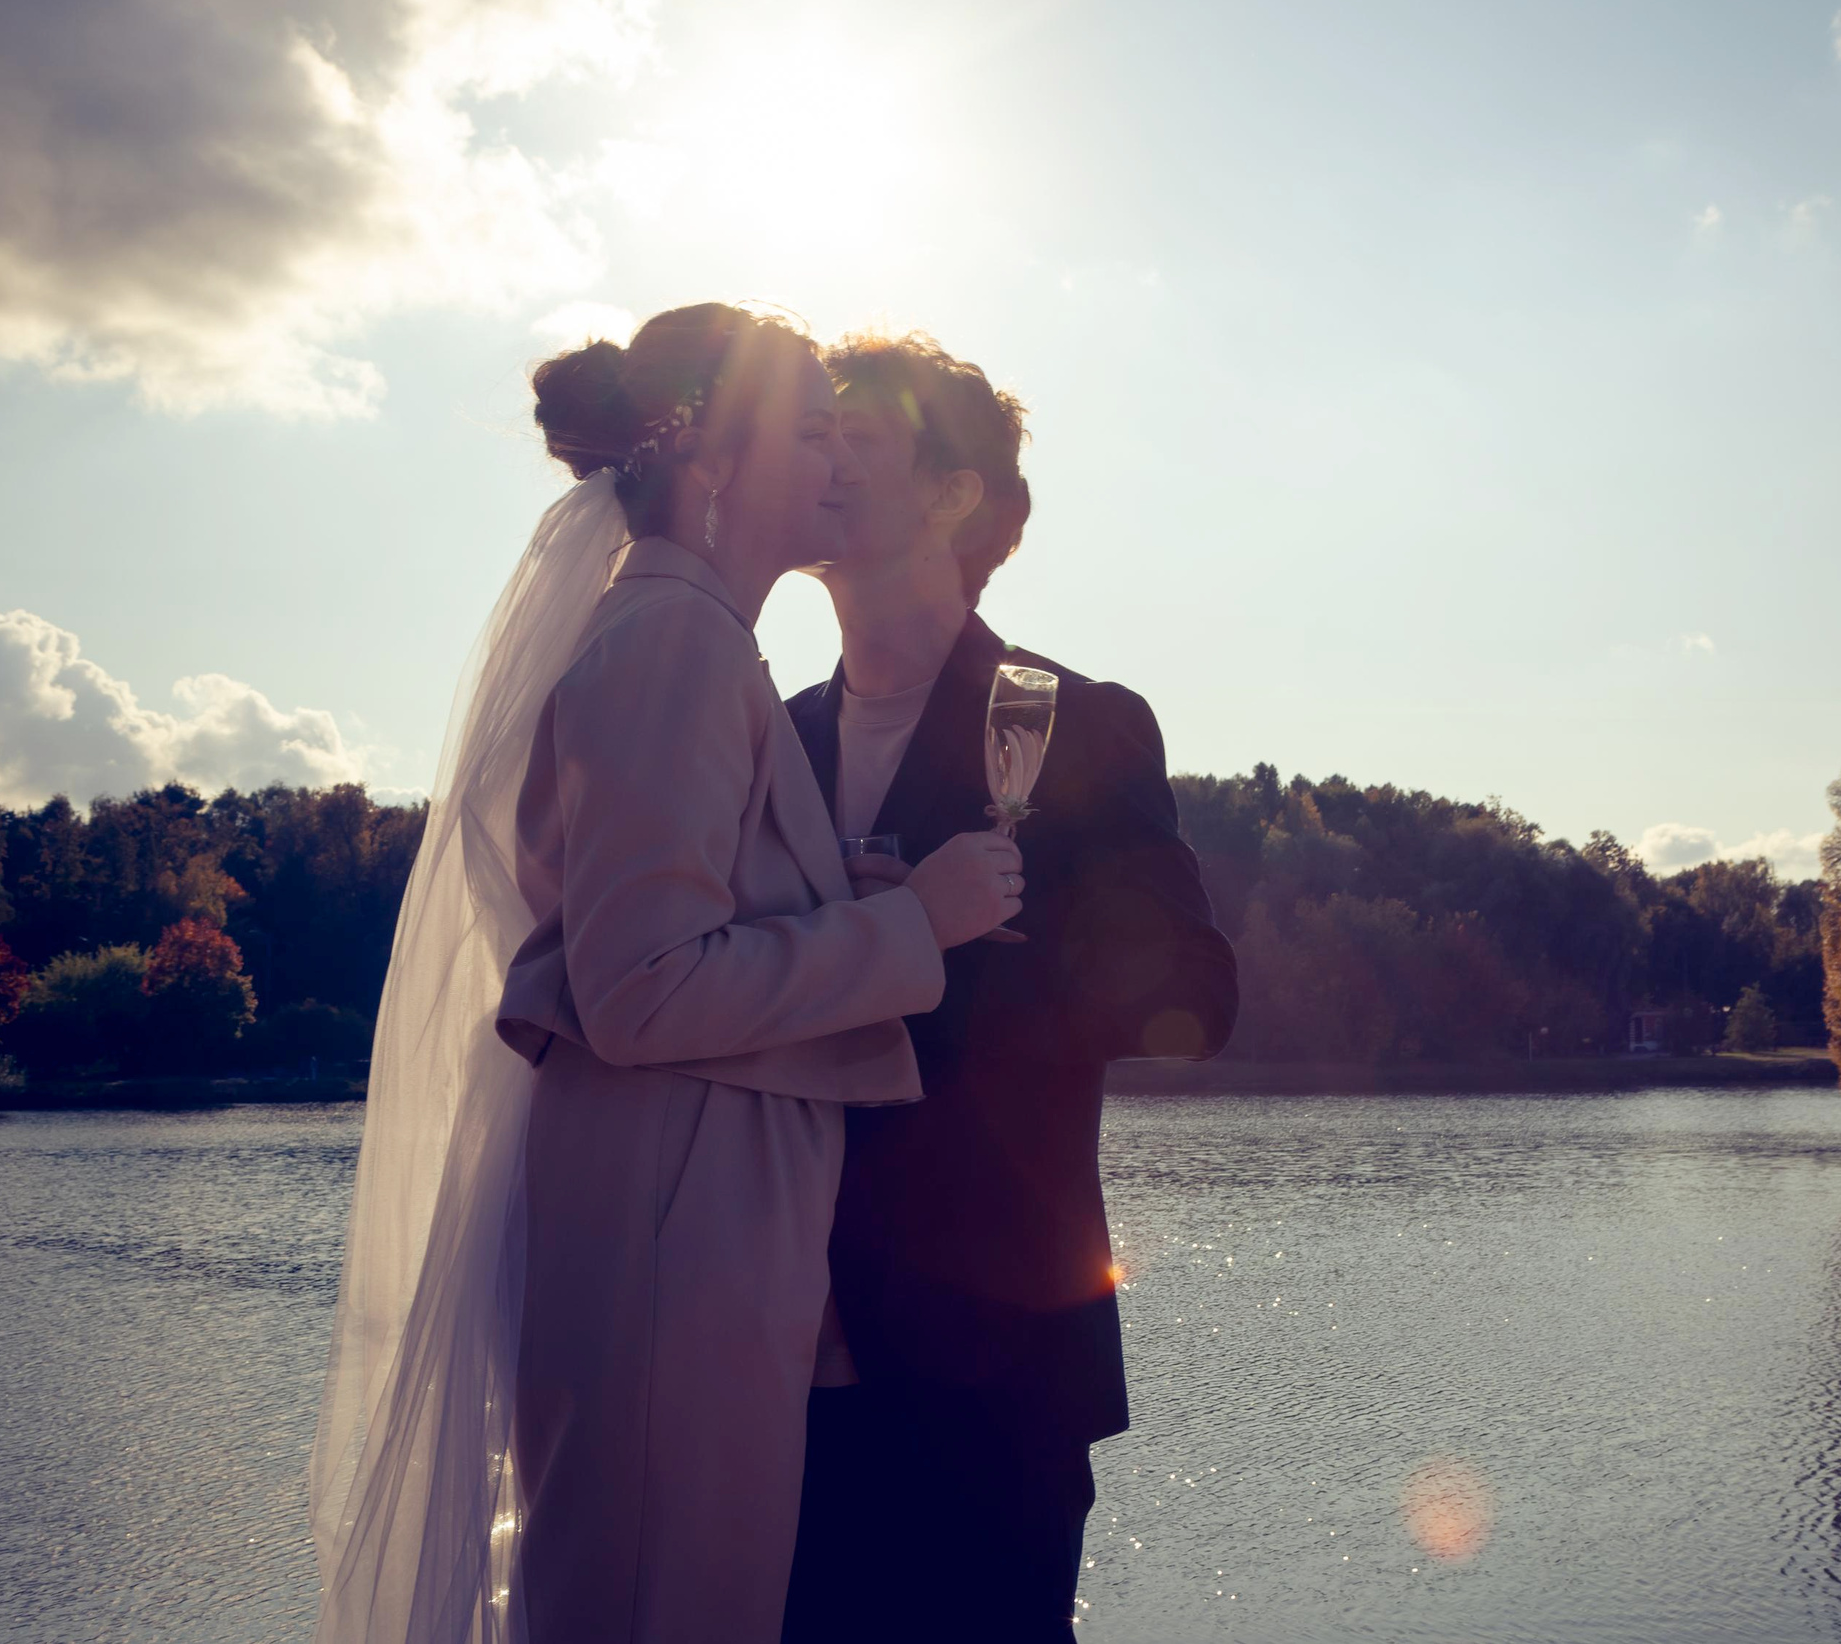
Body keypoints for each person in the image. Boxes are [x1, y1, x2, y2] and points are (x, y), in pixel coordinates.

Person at [309, 305, 1025, 1644]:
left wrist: (834, 901)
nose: (840, 459)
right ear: (710, 470)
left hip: (692, 1224)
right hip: (673, 1241)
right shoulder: (674, 645)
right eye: (811, 430)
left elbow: (662, 931)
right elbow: (639, 986)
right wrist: (912, 927)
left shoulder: (698, 639)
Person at [779, 333, 1239, 1642]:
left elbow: (1197, 1001)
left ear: (953, 496)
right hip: (769, 1368)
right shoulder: (772, 738)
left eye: (850, 437)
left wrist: (950, 943)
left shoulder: (1082, 724)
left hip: (990, 1376)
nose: (818, 462)